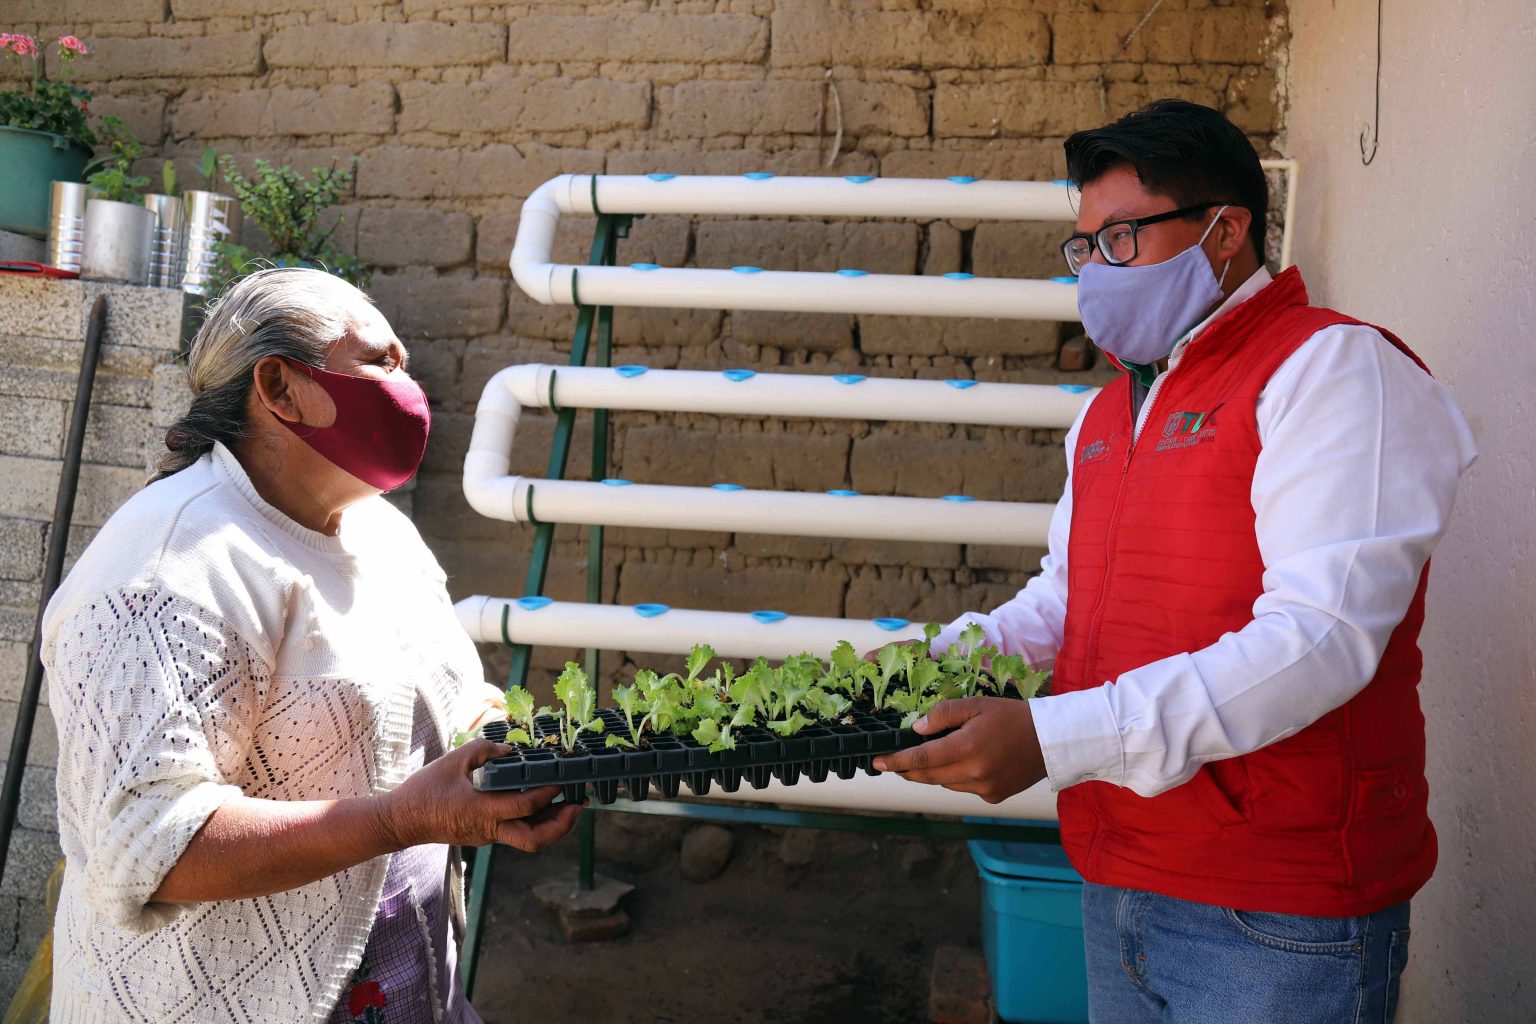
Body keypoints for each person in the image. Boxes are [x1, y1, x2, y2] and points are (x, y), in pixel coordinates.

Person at [874, 100, 1477, 1022]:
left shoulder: (1331, 371)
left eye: (1120, 239)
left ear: (1224, 232)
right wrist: (934, 661)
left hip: (1279, 910)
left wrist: (1051, 739)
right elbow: (1068, 604)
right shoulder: (1112, 412)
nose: (1095, 274)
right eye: (1084, 249)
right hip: (1121, 873)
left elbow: (1321, 638)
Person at [42, 268, 581, 1022]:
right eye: (379, 362)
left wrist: (491, 752)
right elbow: (149, 848)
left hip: (413, 992)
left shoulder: (377, 532)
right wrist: (401, 819)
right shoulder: (169, 569)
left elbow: (444, 704)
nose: (407, 386)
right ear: (279, 386)